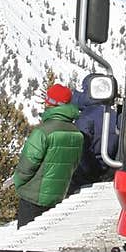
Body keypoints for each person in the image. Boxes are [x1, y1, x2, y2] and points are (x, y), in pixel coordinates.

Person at [12, 83, 83, 228]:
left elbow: (27, 165)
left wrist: (19, 183)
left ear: (50, 104)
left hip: (33, 196)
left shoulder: (43, 132)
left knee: (26, 241)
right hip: (58, 195)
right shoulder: (77, 133)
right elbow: (74, 165)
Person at [67, 75, 119, 195]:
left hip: (86, 178)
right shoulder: (115, 115)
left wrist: (84, 174)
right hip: (109, 174)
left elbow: (81, 151)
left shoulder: (85, 118)